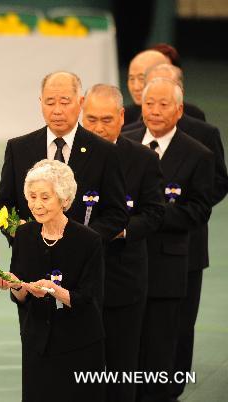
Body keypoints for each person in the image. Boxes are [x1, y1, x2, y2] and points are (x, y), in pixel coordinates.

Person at [123, 78, 214, 402]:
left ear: (179, 110)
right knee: (125, 345)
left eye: (164, 105)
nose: (156, 111)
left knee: (161, 345)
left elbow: (199, 210)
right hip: (126, 262)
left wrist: (149, 217)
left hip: (168, 265)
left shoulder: (197, 154)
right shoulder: (125, 141)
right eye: (150, 104)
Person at [0, 159, 105, 402]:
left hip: (79, 344)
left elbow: (88, 297)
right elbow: (21, 295)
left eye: (45, 197)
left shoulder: (88, 240)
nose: (36, 205)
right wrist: (15, 285)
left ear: (64, 199)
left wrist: (56, 291)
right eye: (32, 197)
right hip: (37, 344)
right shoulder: (23, 235)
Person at [82, 84, 165, 402]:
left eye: (105, 119)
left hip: (123, 278)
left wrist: (121, 230)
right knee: (81, 365)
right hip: (78, 281)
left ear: (121, 117)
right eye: (91, 120)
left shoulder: (143, 159)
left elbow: (155, 214)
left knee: (121, 365)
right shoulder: (68, 156)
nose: (98, 128)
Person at [0, 71, 127, 245]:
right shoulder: (18, 148)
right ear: (41, 103)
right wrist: (20, 231)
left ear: (81, 103)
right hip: (31, 256)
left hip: (84, 259)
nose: (57, 110)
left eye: (64, 102)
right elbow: (1, 207)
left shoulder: (104, 151)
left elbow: (116, 213)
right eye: (49, 102)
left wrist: (82, 240)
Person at [124, 50, 169, 125]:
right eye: (131, 79)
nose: (136, 87)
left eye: (141, 79)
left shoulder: (188, 117)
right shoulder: (122, 118)